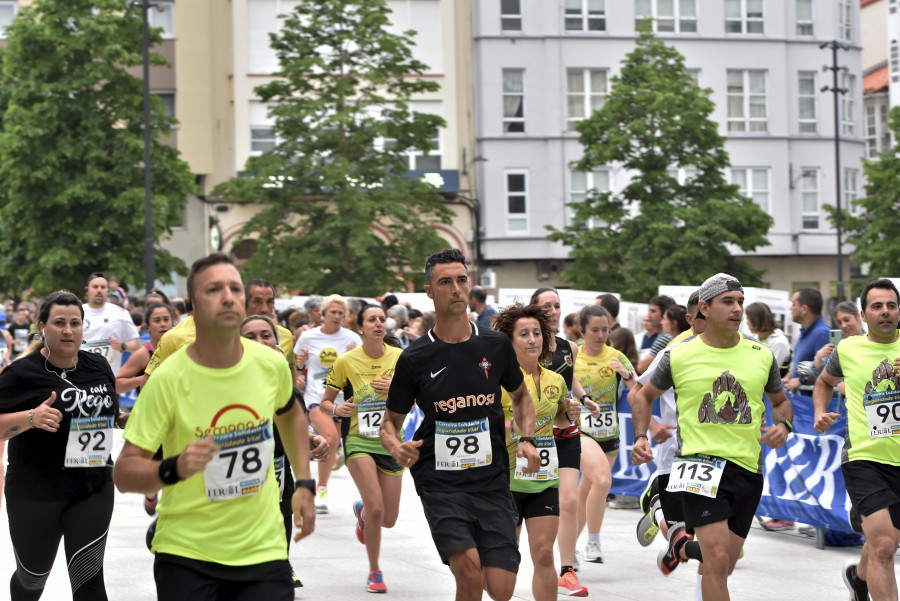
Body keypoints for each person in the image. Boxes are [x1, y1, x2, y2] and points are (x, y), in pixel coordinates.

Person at [113, 253, 316, 601]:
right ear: (193, 305)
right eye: (214, 289)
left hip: (264, 551)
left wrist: (305, 483)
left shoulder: (270, 364)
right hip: (188, 554)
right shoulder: (167, 379)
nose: (228, 296)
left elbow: (290, 413)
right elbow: (124, 473)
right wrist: (173, 467)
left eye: (235, 288)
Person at [381, 248, 539, 601]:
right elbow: (389, 423)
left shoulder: (495, 345)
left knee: (501, 589)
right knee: (468, 571)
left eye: (461, 280)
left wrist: (527, 438)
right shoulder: (415, 358)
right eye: (445, 282)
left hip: (491, 479)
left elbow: (522, 397)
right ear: (429, 291)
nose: (455, 288)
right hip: (440, 481)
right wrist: (397, 447)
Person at [632, 274, 793, 601]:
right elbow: (642, 395)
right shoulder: (677, 355)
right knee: (717, 560)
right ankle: (680, 537)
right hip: (698, 466)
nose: (737, 309)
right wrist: (642, 435)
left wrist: (784, 427)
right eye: (728, 302)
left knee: (723, 565)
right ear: (704, 307)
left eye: (740, 302)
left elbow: (781, 402)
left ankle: (681, 544)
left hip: (748, 469)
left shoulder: (761, 354)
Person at [0, 291, 120, 601]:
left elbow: (108, 414)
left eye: (75, 323)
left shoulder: (99, 367)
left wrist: (125, 420)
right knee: (31, 582)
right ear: (42, 327)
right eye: (59, 323)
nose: (68, 331)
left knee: (89, 581)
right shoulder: (21, 374)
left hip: (93, 487)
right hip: (35, 492)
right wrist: (31, 417)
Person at [813, 279, 900, 601]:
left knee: (886, 542)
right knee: (884, 544)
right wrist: (820, 410)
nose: (885, 312)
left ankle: (858, 578)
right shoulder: (848, 349)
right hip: (864, 457)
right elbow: (823, 381)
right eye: (877, 306)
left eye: (891, 305)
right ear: (864, 314)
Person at [241, 314, 328, 590]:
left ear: (278, 345)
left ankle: (282, 564)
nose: (260, 341)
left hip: (278, 470)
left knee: (281, 515)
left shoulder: (287, 389)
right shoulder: (222, 384)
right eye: (250, 337)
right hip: (233, 484)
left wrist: (314, 439)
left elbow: (298, 426)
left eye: (266, 335)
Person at [321, 304, 404, 593]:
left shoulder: (400, 358)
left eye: (382, 319)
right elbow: (325, 401)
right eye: (372, 320)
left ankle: (363, 515)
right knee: (377, 506)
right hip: (358, 439)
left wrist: (395, 389)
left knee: (389, 519)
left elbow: (416, 399)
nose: (379, 324)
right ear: (360, 328)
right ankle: (375, 572)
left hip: (392, 440)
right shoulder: (346, 361)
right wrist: (338, 409)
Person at [629, 292, 708, 596]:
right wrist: (650, 428)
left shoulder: (739, 350)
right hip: (676, 456)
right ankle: (659, 510)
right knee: (690, 539)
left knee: (714, 545)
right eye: (704, 315)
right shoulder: (674, 352)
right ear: (692, 319)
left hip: (717, 458)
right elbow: (638, 391)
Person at [494, 303, 574, 601]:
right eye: (524, 334)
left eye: (537, 333)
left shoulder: (556, 380)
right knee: (505, 559)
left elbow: (561, 422)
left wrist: (569, 414)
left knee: (543, 553)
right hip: (506, 481)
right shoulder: (499, 381)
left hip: (543, 479)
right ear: (510, 340)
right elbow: (489, 426)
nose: (532, 340)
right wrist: (516, 429)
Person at [529, 288, 598, 597]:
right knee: (519, 502)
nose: (554, 310)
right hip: (531, 434)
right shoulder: (523, 345)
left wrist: (584, 399)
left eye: (557, 305)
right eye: (547, 305)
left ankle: (567, 570)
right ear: (534, 310)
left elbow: (569, 379)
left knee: (568, 500)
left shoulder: (570, 346)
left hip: (566, 429)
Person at [761, 287, 830, 532]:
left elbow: (825, 373)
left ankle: (819, 517)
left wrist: (796, 381)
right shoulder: (804, 333)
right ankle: (790, 514)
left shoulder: (822, 333)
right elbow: (796, 368)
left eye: (793, 303)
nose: (790, 308)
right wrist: (785, 383)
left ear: (805, 308)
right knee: (793, 462)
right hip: (798, 411)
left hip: (811, 413)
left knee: (812, 464)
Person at [575, 304, 636, 562]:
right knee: (601, 481)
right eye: (595, 330)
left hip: (608, 431)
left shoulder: (616, 356)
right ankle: (594, 542)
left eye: (605, 330)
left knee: (588, 489)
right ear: (582, 330)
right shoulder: (573, 356)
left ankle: (568, 546)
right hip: (579, 430)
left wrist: (628, 375)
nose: (600, 335)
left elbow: (639, 392)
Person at [294, 294, 361, 513]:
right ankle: (320, 490)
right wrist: (299, 369)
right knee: (330, 438)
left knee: (332, 443)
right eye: (333, 312)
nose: (337, 316)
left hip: (341, 401)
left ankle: (322, 485)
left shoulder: (351, 338)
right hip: (315, 398)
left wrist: (354, 358)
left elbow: (361, 369)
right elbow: (297, 366)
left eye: (341, 313)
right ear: (323, 314)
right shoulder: (308, 337)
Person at [81, 273, 141, 376]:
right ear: (87, 290)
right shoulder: (77, 312)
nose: (99, 290)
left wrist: (122, 346)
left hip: (109, 378)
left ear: (107, 291)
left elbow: (137, 344)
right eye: (95, 287)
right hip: (82, 376)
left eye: (103, 287)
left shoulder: (121, 313)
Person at [745, 302, 791, 376]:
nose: (747, 323)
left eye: (748, 319)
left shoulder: (779, 342)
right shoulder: (755, 338)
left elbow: (770, 371)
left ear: (757, 320)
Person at [637, 295, 676, 374]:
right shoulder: (664, 336)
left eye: (653, 311)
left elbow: (641, 368)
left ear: (665, 314)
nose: (649, 315)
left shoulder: (666, 337)